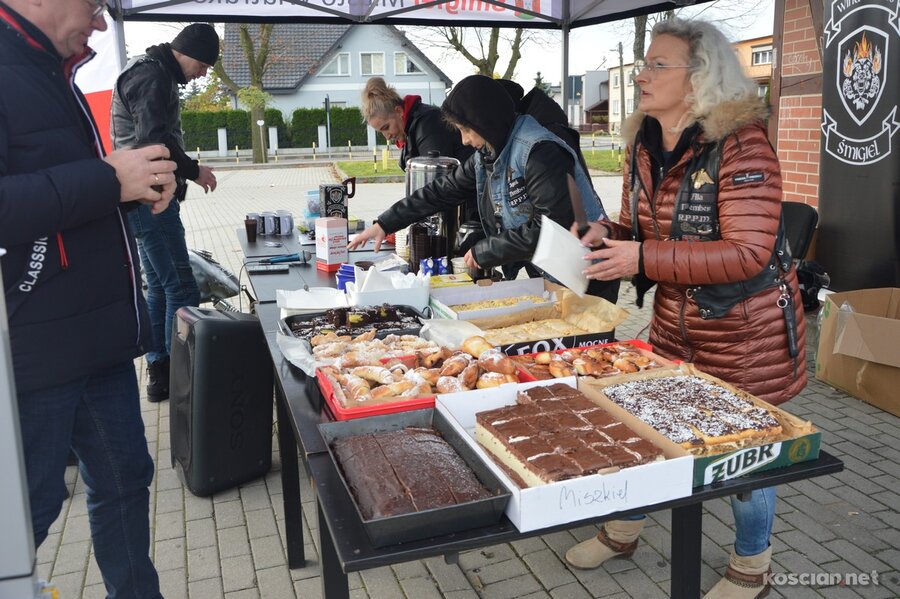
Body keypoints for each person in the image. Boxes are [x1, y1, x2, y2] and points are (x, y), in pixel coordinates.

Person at [564, 19, 807, 599]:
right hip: (676, 325)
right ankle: (622, 531)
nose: (641, 75)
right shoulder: (643, 143)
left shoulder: (742, 144)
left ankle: (752, 566)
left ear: (699, 77)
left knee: (746, 455)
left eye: (657, 65)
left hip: (745, 335)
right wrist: (605, 234)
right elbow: (641, 229)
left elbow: (747, 253)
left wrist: (642, 256)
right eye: (643, 64)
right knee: (646, 429)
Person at [1, 1, 178, 597]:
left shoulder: (51, 70)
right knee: (28, 512)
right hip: (33, 345)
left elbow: (59, 199)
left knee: (127, 480)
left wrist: (129, 188)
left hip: (96, 338)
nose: (102, 22)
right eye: (95, 4)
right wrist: (108, 179)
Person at [351, 74, 618, 304]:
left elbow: (551, 228)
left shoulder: (539, 152)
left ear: (485, 121)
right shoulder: (488, 153)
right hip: (554, 273)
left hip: (589, 277)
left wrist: (487, 250)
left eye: (466, 130)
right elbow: (442, 190)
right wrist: (386, 223)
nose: (464, 141)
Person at [111, 23, 220, 401]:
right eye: (203, 65)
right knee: (182, 287)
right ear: (187, 51)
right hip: (150, 199)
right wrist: (193, 170)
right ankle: (181, 375)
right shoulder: (153, 77)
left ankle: (159, 372)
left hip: (139, 200)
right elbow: (155, 140)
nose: (202, 74)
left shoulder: (150, 72)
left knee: (158, 286)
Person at [361, 75, 476, 231]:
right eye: (381, 132)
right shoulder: (413, 127)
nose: (387, 136)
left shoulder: (428, 123)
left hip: (463, 217)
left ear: (399, 111)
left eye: (386, 127)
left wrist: (388, 223)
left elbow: (435, 187)